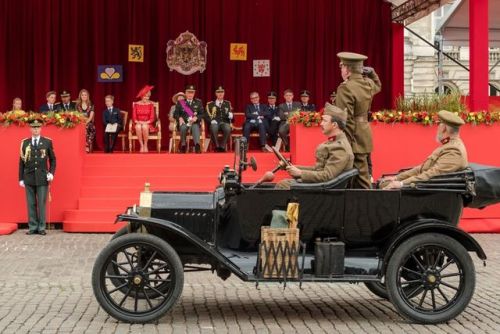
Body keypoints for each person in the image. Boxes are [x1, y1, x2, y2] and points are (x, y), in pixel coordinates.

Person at [381, 110, 468, 189]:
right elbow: (422, 168)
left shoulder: (453, 150)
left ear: (444, 128)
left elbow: (432, 175)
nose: (437, 127)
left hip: (432, 193)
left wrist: (401, 184)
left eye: (438, 124)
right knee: (384, 183)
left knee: (385, 187)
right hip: (427, 188)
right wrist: (397, 177)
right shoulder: (449, 145)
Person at [276, 103, 354, 190]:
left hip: (325, 190)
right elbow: (318, 169)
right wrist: (292, 167)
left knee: (283, 185)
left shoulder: (340, 147)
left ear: (334, 125)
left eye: (324, 121)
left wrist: (301, 173)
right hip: (323, 185)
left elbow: (327, 176)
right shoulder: (334, 142)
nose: (321, 124)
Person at [335, 52, 381, 189]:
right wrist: (373, 74)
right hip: (364, 133)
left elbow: (345, 119)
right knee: (361, 172)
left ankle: (369, 206)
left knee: (361, 176)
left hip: (354, 136)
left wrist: (345, 143)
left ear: (348, 70)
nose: (341, 70)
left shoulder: (346, 87)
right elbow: (378, 86)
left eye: (342, 67)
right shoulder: (367, 83)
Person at [19, 119, 56, 235]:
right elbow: (21, 162)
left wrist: (51, 173)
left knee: (41, 203)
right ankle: (33, 227)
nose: (35, 129)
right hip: (29, 177)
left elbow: (53, 159)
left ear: (41, 128)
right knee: (31, 203)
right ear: (30, 129)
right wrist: (20, 178)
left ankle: (41, 227)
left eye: (37, 127)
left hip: (42, 177)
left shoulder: (47, 142)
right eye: (33, 127)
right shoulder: (25, 143)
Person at [174, 84, 204, 153]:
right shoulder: (181, 102)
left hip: (194, 122)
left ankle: (197, 146)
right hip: (184, 122)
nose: (190, 94)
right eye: (189, 92)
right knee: (183, 127)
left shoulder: (198, 102)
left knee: (195, 127)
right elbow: (175, 114)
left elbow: (203, 114)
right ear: (185, 93)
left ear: (194, 93)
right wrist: (180, 118)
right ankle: (183, 145)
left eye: (192, 92)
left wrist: (197, 117)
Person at [205, 86, 233, 152]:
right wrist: (211, 121)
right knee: (213, 127)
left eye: (222, 92)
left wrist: (231, 116)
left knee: (227, 128)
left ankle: (222, 146)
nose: (220, 94)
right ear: (216, 93)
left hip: (224, 122)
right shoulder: (210, 104)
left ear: (224, 93)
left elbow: (231, 117)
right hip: (215, 123)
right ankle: (217, 146)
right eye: (218, 92)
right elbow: (206, 116)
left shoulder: (227, 104)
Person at [133, 85, 156, 153]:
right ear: (141, 96)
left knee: (145, 127)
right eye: (145, 96)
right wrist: (138, 121)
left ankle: (145, 144)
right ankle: (141, 145)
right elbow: (134, 117)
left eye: (148, 96)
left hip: (147, 123)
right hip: (138, 122)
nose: (146, 98)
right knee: (138, 127)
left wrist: (146, 122)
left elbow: (152, 117)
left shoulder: (150, 105)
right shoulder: (136, 104)